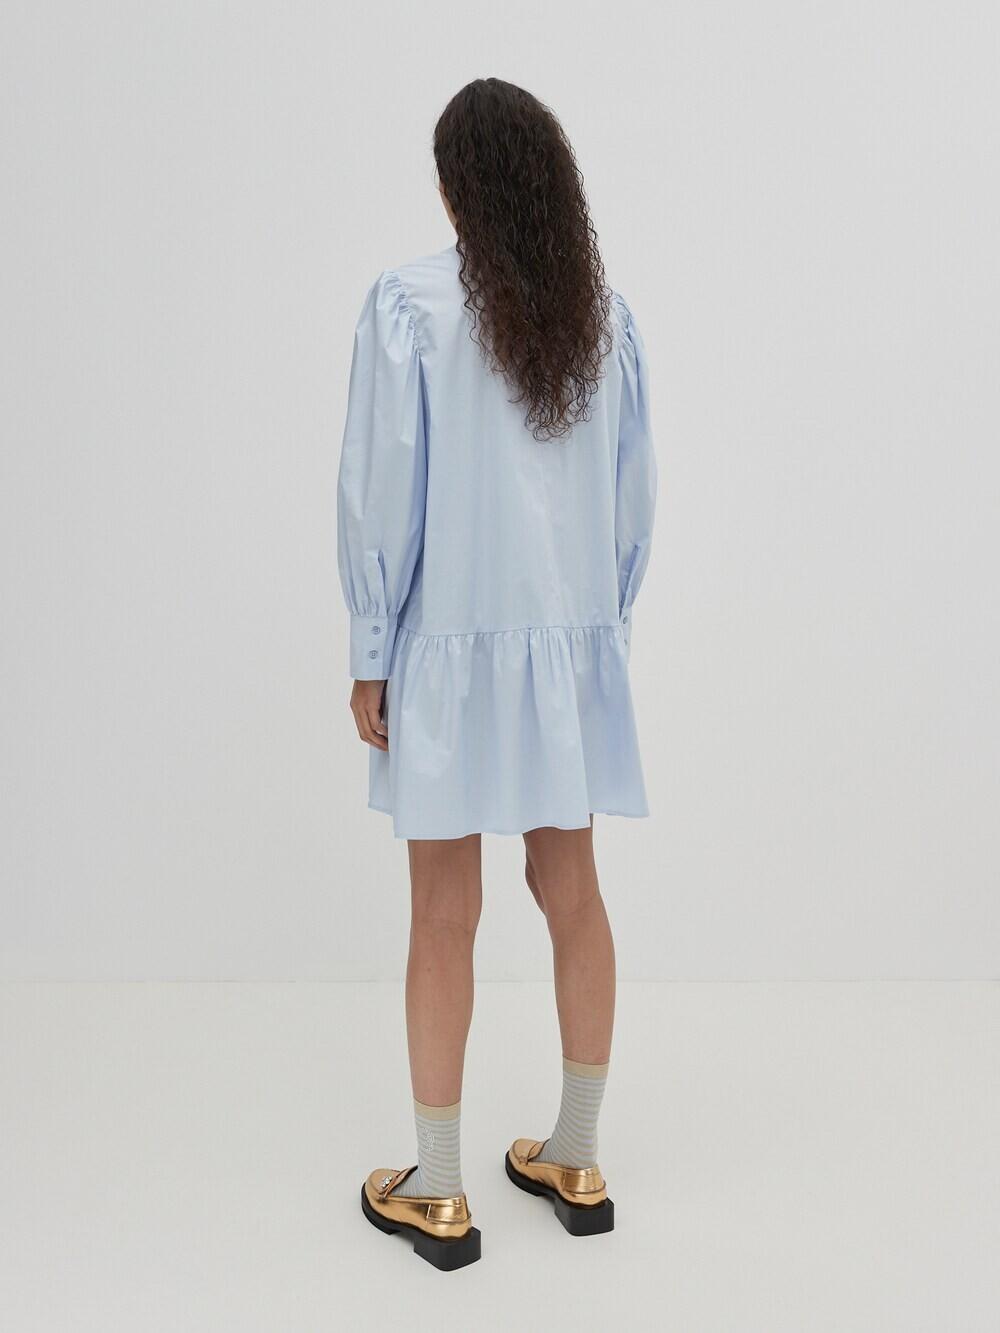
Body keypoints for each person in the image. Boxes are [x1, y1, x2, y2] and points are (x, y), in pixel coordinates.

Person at [338, 77, 656, 1270]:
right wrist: (598, 632)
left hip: (447, 657)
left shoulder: (409, 306)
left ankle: (437, 1188)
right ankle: (576, 1157)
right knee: (573, 890)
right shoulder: (603, 319)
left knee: (441, 912)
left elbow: (382, 487)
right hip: (567, 652)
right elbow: (632, 500)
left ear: (452, 187)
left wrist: (372, 646)